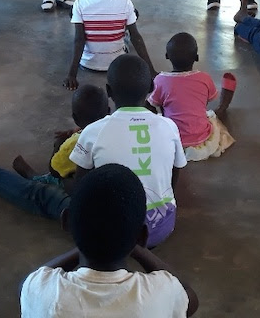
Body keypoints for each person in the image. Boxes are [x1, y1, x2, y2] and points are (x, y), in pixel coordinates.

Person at [20, 164, 199, 317]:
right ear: (143, 236)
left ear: (66, 222)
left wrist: (84, 241)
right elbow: (189, 299)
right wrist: (133, 244)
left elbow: (35, 279)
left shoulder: (39, 290)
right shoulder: (160, 293)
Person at [70, 54, 187, 248]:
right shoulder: (169, 126)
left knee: (53, 192)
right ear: (151, 87)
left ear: (109, 91)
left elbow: (80, 187)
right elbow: (176, 169)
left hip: (112, 236)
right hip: (161, 228)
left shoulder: (92, 131)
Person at [0, 84, 110, 204]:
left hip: (91, 203)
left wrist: (59, 145)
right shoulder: (117, 126)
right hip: (113, 192)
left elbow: (54, 168)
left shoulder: (75, 144)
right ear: (109, 111)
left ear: (75, 118)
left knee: (43, 195)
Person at [64, 0, 156, 90]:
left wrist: (72, 75)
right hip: (117, 63)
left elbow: (79, 39)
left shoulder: (80, 2)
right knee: (132, 17)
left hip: (87, 63)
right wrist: (151, 71)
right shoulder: (124, 1)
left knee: (79, 21)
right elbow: (136, 38)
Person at [148, 33, 236, 161]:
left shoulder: (160, 80)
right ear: (197, 57)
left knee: (155, 114)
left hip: (172, 138)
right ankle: (223, 107)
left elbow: (153, 104)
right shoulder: (204, 78)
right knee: (211, 116)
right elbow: (206, 100)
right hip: (202, 138)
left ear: (167, 56)